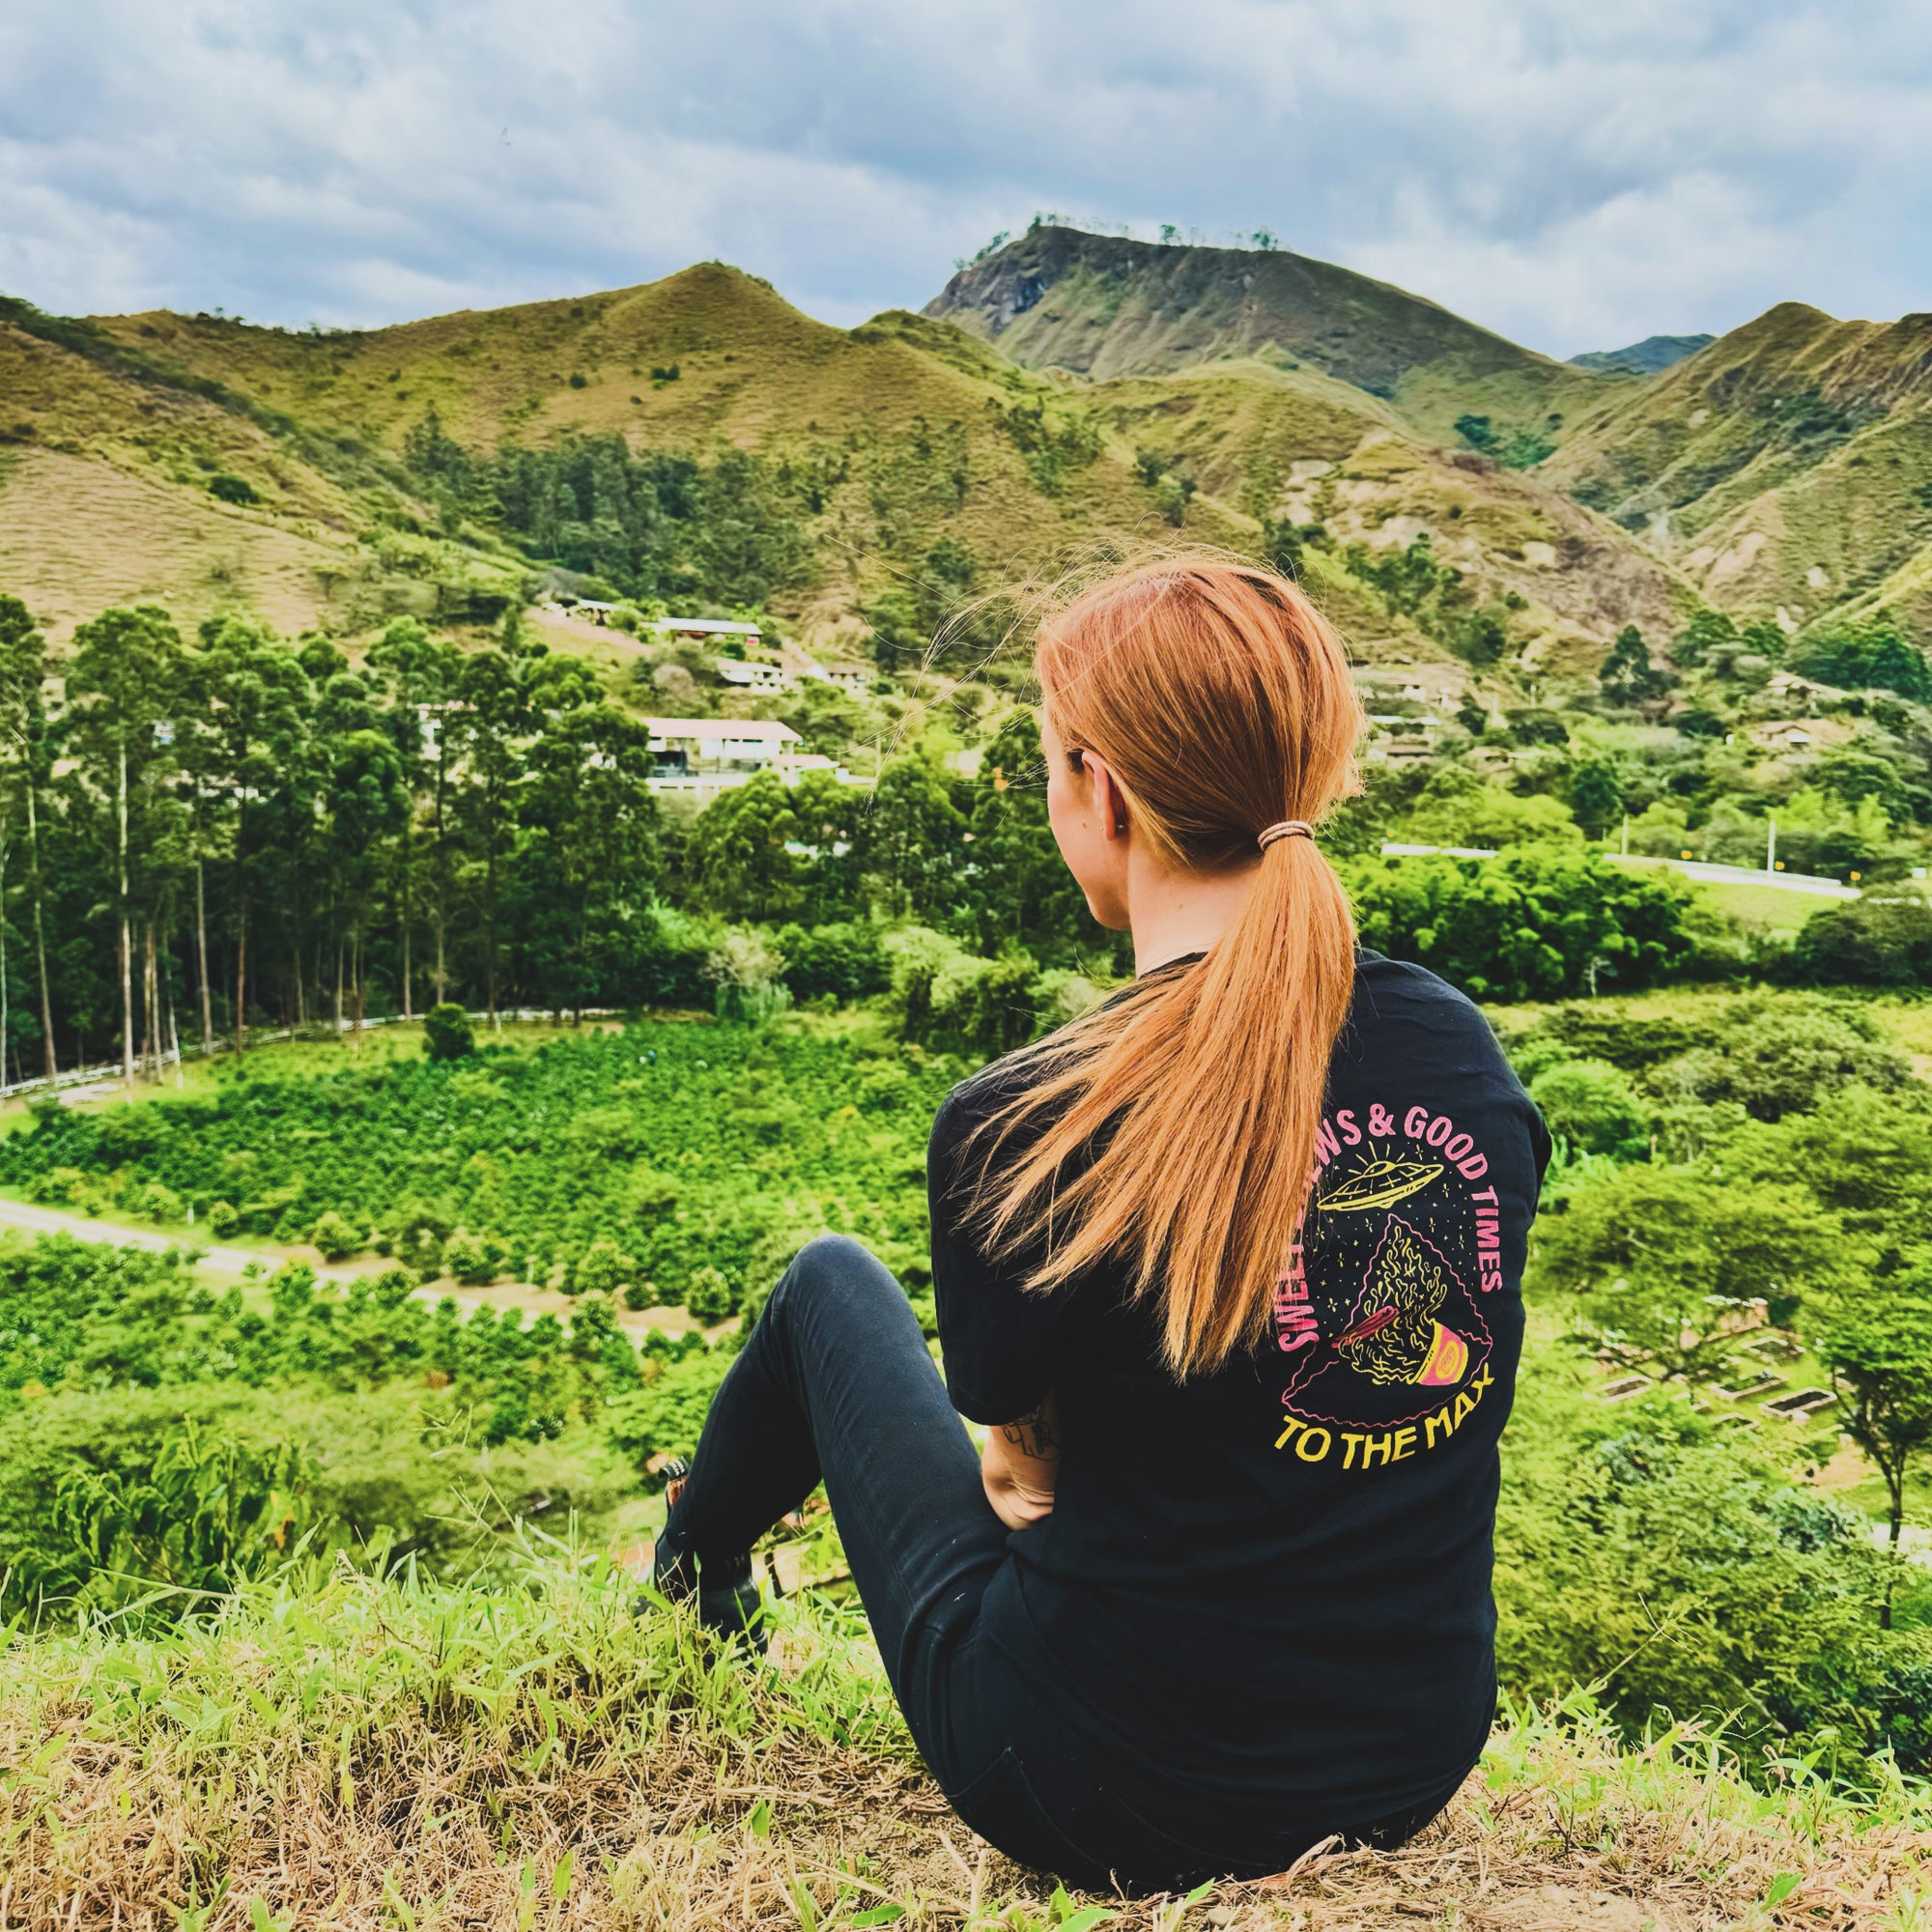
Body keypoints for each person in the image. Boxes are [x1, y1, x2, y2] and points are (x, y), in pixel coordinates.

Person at [651, 554, 1549, 1893]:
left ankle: (694, 1575)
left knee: (832, 1286)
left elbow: (1026, 1486)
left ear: (1101, 791)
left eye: (1049, 772)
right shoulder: (1460, 1056)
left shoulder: (1033, 1117)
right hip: (1410, 1758)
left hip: (1096, 1788)